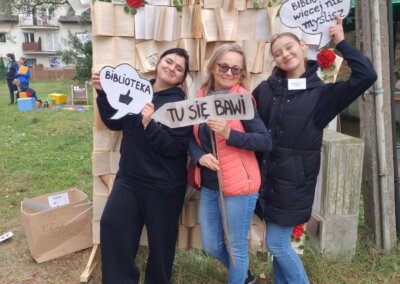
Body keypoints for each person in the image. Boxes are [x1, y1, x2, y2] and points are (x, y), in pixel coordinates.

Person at [252, 16, 377, 283]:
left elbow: (366, 75)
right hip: (265, 183)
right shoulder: (266, 89)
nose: (285, 55)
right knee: (278, 245)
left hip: (294, 184)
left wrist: (341, 42)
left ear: (301, 46)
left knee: (276, 244)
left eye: (289, 47)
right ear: (274, 60)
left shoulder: (322, 95)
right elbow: (246, 121)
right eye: (277, 53)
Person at [91, 48, 192, 284]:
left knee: (161, 246)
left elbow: (175, 148)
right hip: (129, 179)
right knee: (112, 226)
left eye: (179, 68)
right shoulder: (136, 89)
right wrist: (102, 93)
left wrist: (150, 124)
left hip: (164, 187)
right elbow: (114, 123)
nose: (172, 68)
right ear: (158, 63)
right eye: (169, 61)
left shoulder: (180, 106)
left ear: (182, 77)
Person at [188, 44, 273, 284]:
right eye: (224, 66)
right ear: (213, 67)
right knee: (212, 245)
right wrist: (199, 156)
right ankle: (245, 276)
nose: (229, 72)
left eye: (236, 69)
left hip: (240, 185)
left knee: (236, 247)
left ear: (242, 73)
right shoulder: (201, 97)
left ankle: (239, 277)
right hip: (210, 184)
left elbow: (265, 141)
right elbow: (189, 137)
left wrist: (229, 133)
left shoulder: (243, 100)